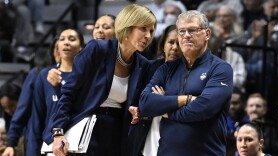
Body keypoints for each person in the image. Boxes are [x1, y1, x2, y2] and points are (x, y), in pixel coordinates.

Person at [48, 4, 156, 156]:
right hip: (87, 128)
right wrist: (58, 131)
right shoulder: (98, 49)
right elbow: (69, 92)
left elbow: (135, 105)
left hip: (117, 134)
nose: (148, 36)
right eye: (143, 29)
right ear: (127, 26)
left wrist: (136, 110)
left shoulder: (143, 64)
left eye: (151, 31)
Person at [139, 10, 233, 155]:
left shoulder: (221, 69)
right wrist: (186, 100)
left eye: (192, 30)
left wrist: (165, 110)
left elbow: (203, 109)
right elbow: (145, 103)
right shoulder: (167, 69)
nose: (186, 35)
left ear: (207, 34)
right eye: (181, 31)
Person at [27, 28, 85, 155]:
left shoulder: (87, 75)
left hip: (80, 144)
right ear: (57, 46)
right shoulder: (44, 75)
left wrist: (59, 89)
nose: (66, 43)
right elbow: (37, 118)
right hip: (52, 146)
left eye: (72, 39)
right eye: (62, 39)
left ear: (81, 47)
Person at [128, 24, 182, 156]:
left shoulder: (189, 73)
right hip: (145, 130)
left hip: (175, 133)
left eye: (179, 43)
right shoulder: (150, 68)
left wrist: (162, 101)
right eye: (170, 42)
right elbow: (139, 101)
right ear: (163, 45)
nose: (174, 48)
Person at [1, 37, 60, 156]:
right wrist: (11, 142)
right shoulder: (37, 74)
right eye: (57, 47)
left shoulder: (79, 77)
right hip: (38, 142)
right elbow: (22, 110)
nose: (62, 50)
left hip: (66, 141)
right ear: (52, 51)